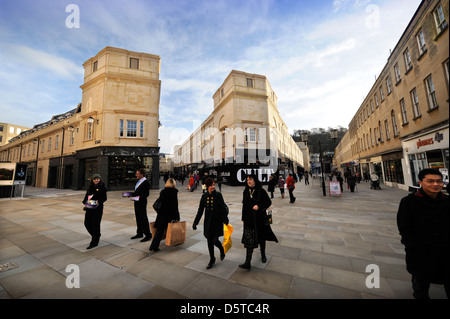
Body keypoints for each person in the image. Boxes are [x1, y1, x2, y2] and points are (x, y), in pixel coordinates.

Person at [397, 168, 449, 299]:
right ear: (420, 182)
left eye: (439, 181)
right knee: (421, 286)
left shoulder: (447, 201)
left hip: (446, 251)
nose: (436, 184)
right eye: (430, 181)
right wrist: (413, 247)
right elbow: (404, 228)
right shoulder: (408, 202)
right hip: (421, 253)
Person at [240, 174, 278, 270]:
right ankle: (247, 262)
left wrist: (259, 206)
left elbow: (268, 202)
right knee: (249, 239)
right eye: (247, 180)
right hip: (249, 220)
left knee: (262, 238)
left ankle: (263, 254)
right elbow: (244, 206)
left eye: (251, 179)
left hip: (260, 219)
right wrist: (243, 218)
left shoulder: (261, 191)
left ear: (255, 180)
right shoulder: (245, 191)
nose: (249, 181)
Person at [193, 177, 229, 269]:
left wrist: (225, 219)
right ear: (207, 186)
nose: (213, 187)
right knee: (209, 241)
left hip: (217, 222)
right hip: (208, 222)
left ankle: (221, 249)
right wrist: (195, 222)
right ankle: (212, 259)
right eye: (211, 185)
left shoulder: (218, 195)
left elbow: (223, 209)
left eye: (214, 185)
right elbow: (200, 211)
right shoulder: (204, 196)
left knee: (214, 240)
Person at [149, 178, 180, 252]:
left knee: (159, 231)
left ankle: (153, 246)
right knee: (170, 229)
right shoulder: (174, 192)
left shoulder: (163, 191)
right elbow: (175, 205)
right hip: (169, 215)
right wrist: (177, 216)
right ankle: (173, 241)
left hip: (162, 214)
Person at [82, 174, 107, 250]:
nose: (96, 180)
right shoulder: (90, 187)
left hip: (97, 209)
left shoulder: (102, 187)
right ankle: (96, 235)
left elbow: (104, 198)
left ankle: (94, 242)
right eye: (95, 179)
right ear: (92, 180)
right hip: (89, 208)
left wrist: (98, 201)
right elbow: (87, 196)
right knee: (87, 223)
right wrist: (85, 202)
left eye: (98, 179)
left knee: (95, 225)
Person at [129, 168, 152, 242]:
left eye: (138, 174)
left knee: (143, 218)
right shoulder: (139, 181)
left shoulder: (146, 182)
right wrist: (130, 194)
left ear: (142, 174)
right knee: (138, 217)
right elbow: (137, 192)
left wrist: (136, 198)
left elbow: (146, 194)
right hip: (137, 202)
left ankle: (148, 235)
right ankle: (139, 233)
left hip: (141, 202)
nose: (136, 175)